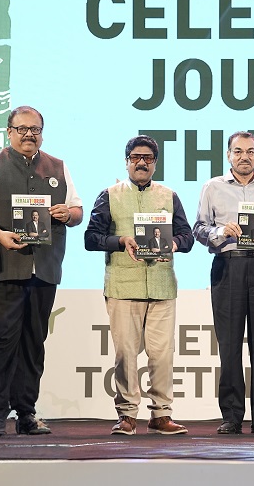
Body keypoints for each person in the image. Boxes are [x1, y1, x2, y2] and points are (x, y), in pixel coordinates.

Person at [0, 105, 83, 437]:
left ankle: (26, 412)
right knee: (1, 341)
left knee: (33, 343)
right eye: (22, 129)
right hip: (2, 268)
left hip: (44, 269)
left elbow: (77, 211)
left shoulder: (58, 166)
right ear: (9, 132)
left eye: (35, 129)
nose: (29, 134)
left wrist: (67, 214)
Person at [84, 135, 193, 435]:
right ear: (126, 162)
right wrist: (121, 241)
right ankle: (127, 415)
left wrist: (173, 243)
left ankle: (161, 415)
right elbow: (91, 238)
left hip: (161, 286)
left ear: (155, 163)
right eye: (135, 157)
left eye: (148, 158)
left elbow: (187, 236)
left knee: (162, 355)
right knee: (126, 355)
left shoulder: (169, 196)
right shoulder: (109, 195)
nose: (141, 162)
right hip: (123, 287)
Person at [193, 131, 254, 435]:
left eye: (250, 151)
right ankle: (232, 416)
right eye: (238, 151)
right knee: (229, 344)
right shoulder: (212, 187)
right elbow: (199, 229)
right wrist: (221, 231)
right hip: (228, 266)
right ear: (228, 155)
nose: (244, 157)